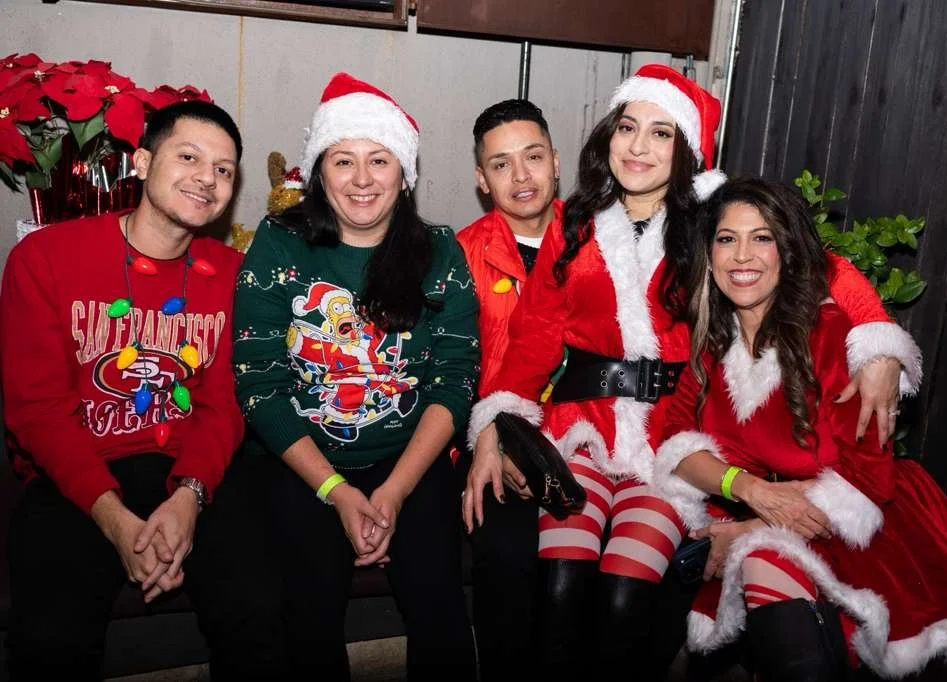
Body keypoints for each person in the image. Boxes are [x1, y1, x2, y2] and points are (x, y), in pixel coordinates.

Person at [463, 64, 922, 679]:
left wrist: (879, 346)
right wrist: (496, 421)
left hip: (668, 440)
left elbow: (821, 264)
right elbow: (531, 343)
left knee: (625, 592)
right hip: (581, 429)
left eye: (661, 133)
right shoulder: (574, 225)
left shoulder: (710, 223)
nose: (639, 146)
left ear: (686, 150)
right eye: (628, 127)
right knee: (562, 584)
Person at [655, 177, 947, 680]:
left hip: (861, 527)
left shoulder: (832, 337)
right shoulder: (713, 343)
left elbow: (867, 481)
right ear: (709, 253)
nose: (742, 255)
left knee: (764, 566)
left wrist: (746, 530)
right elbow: (675, 442)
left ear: (788, 252)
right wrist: (748, 488)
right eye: (727, 238)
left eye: (762, 238)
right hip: (769, 517)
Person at [229, 72, 479, 680]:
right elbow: (259, 383)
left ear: (404, 173)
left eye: (379, 160)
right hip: (303, 458)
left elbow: (454, 380)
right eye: (343, 161)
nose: (362, 179)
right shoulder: (279, 244)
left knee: (440, 605)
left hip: (408, 458)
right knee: (306, 608)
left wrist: (394, 491)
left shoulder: (439, 251)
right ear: (320, 172)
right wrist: (337, 492)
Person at [0, 100, 245, 679]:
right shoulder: (46, 257)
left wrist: (188, 498)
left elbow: (224, 406)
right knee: (51, 640)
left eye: (224, 170)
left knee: (257, 612)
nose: (206, 179)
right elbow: (38, 410)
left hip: (190, 472)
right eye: (189, 157)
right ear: (142, 163)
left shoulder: (234, 274)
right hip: (75, 477)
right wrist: (115, 521)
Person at [455, 98, 561, 681]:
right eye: (501, 164)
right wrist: (488, 441)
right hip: (488, 441)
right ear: (481, 178)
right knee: (507, 556)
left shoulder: (598, 242)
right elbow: (450, 374)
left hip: (584, 436)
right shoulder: (459, 256)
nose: (521, 176)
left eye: (533, 157)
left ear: (556, 162)